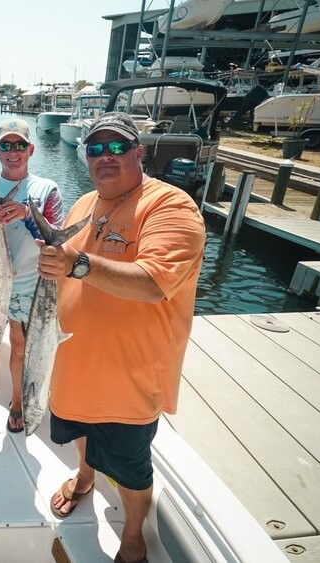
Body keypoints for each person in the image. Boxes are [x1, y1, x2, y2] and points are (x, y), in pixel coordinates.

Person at [37, 112, 206, 563]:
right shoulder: (83, 204)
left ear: (139, 152)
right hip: (72, 363)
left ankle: (132, 536)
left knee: (131, 468)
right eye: (96, 148)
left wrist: (78, 263)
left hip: (129, 375)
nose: (105, 157)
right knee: (77, 428)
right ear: (85, 156)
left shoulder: (170, 206)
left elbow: (153, 281)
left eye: (117, 148)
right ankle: (85, 477)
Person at [0, 118, 64, 432]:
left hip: (27, 285)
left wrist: (28, 215)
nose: (13, 151)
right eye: (6, 145)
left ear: (30, 149)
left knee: (20, 345)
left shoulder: (47, 189)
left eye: (19, 145)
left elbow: (58, 240)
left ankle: (18, 401)